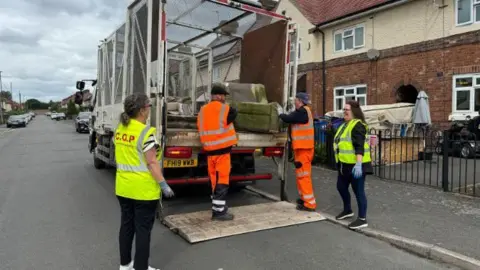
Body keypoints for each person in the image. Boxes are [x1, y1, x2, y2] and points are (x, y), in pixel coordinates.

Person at [115, 93, 175, 270]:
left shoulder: (120, 129)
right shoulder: (146, 133)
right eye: (149, 106)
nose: (150, 109)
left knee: (126, 227)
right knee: (143, 230)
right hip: (143, 191)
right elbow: (151, 162)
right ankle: (140, 267)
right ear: (142, 110)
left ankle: (125, 265)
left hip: (123, 188)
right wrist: (164, 184)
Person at [197, 83, 238, 221]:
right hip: (222, 152)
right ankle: (219, 212)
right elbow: (234, 113)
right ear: (219, 96)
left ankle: (217, 208)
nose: (224, 98)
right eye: (224, 96)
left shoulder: (202, 110)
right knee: (222, 181)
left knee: (214, 181)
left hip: (210, 152)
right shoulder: (225, 109)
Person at [333, 100, 373, 230]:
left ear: (354, 112)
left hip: (356, 165)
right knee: (341, 187)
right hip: (344, 164)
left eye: (347, 110)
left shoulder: (357, 125)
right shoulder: (345, 125)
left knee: (358, 191)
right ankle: (348, 210)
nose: (344, 112)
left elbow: (359, 146)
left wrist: (359, 164)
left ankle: (362, 219)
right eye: (343, 110)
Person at [279, 92, 317, 212]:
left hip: (303, 149)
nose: (294, 102)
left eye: (295, 100)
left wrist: (280, 115)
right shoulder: (304, 111)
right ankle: (304, 199)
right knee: (301, 176)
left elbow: (290, 118)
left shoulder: (303, 111)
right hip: (302, 149)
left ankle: (310, 204)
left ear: (299, 101)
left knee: (304, 177)